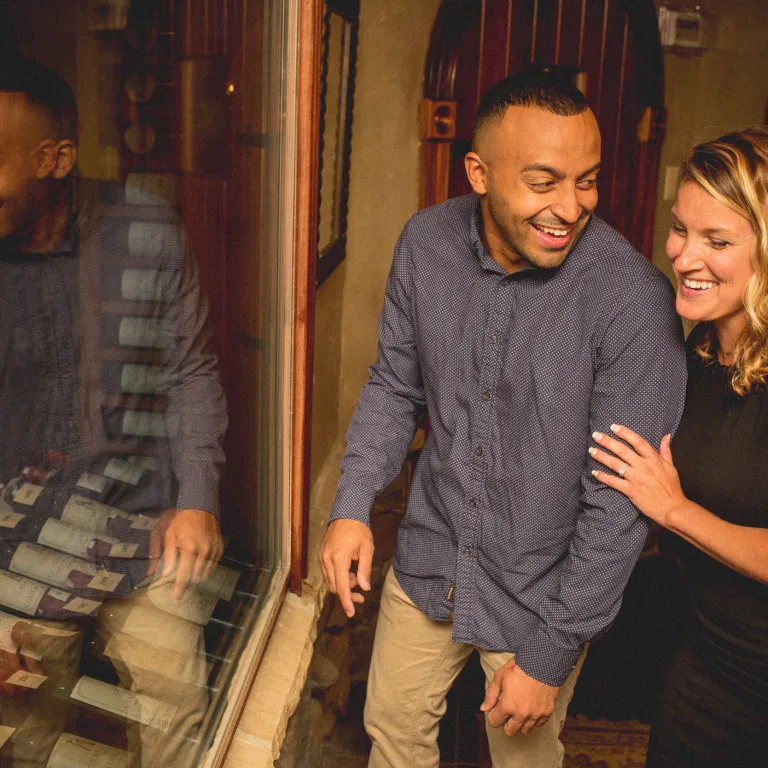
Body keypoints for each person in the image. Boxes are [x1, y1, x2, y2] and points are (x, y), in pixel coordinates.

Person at [319, 70, 687, 768]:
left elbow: (618, 505)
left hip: (541, 597)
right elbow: (395, 385)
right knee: (391, 734)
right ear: (479, 173)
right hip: (428, 563)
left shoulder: (633, 300)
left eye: (587, 181)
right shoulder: (426, 243)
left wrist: (550, 655)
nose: (570, 207)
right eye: (544, 182)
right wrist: (351, 506)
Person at [0, 56, 227, 767]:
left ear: (56, 159)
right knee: (23, 739)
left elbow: (191, 369)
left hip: (144, 532)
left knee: (179, 723)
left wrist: (198, 499)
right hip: (19, 554)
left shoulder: (145, 229)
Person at [589, 126, 768, 768]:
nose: (685, 258)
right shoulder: (699, 348)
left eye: (717, 241)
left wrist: (675, 511)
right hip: (709, 657)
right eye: (679, 230)